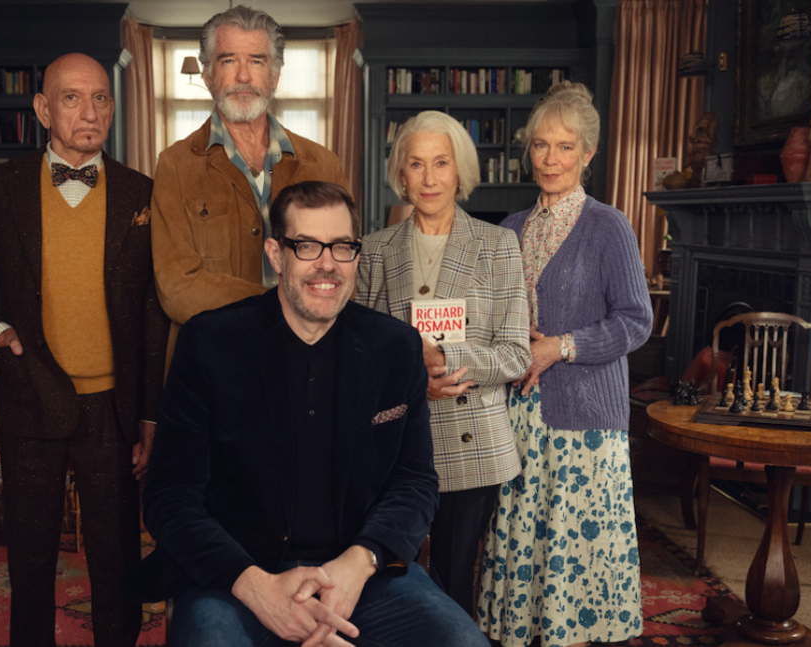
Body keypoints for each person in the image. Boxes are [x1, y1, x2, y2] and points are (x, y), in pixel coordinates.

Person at [126, 181, 488, 647]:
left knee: (463, 643)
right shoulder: (210, 344)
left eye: (342, 247)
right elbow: (170, 497)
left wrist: (357, 565)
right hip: (235, 580)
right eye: (308, 246)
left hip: (362, 578)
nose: (327, 265)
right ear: (276, 255)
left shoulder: (394, 348)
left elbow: (414, 482)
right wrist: (256, 586)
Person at [0, 53, 169, 647]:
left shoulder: (143, 193)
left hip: (112, 409)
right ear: (42, 108)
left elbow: (152, 312)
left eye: (102, 99)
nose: (90, 112)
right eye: (71, 98)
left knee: (116, 554)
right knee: (30, 557)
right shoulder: (2, 188)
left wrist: (149, 415)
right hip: (30, 396)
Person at [475, 81, 652, 647]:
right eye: (541, 145)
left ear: (588, 154)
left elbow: (636, 321)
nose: (551, 159)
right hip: (516, 415)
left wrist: (560, 346)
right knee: (523, 539)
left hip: (584, 421)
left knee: (574, 550)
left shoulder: (609, 227)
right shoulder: (509, 229)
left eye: (565, 146)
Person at [354, 110, 531, 614]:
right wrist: (415, 378)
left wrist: (446, 358)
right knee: (388, 576)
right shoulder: (374, 251)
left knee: (456, 581)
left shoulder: (499, 246)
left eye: (441, 163)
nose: (429, 178)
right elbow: (360, 352)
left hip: (473, 442)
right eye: (416, 164)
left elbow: (516, 353)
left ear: (460, 172)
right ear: (401, 175)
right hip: (395, 438)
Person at [151, 5, 350, 361]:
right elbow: (176, 287)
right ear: (208, 74)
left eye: (257, 61)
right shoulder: (176, 165)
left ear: (274, 76)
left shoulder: (322, 163)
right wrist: (276, 307)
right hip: (214, 364)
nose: (243, 76)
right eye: (228, 61)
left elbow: (344, 264)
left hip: (312, 360)